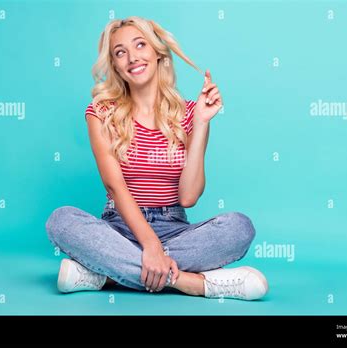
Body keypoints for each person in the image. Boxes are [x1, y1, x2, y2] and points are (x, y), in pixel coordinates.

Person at [45, 16, 268, 301]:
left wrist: (200, 123)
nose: (132, 57)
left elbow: (188, 197)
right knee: (61, 221)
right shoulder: (101, 111)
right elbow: (115, 187)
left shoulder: (189, 113)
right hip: (120, 229)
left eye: (140, 45)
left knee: (239, 227)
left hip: (174, 229)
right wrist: (149, 246)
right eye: (120, 52)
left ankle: (108, 276)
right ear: (114, 65)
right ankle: (192, 283)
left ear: (157, 53)